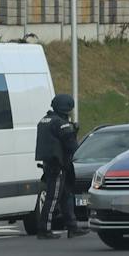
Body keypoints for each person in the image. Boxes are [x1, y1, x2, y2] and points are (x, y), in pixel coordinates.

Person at [35, 94, 88, 239]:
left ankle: (73, 227)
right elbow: (71, 144)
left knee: (66, 196)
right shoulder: (61, 123)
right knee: (53, 198)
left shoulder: (44, 120)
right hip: (58, 165)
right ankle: (44, 229)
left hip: (49, 164)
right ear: (66, 107)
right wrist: (74, 131)